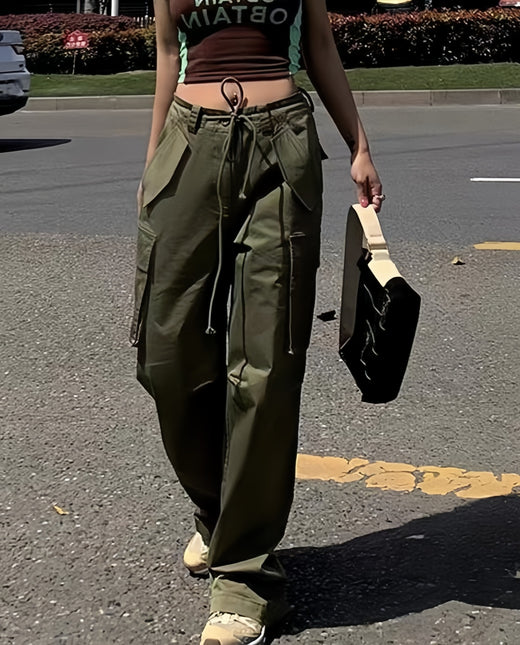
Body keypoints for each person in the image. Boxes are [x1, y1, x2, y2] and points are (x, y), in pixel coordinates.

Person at [131, 0, 383, 643]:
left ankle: (246, 578)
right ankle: (217, 513)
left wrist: (358, 145)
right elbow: (168, 53)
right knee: (166, 355)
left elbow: (320, 44)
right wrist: (154, 159)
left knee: (267, 364)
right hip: (188, 142)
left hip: (283, 144)